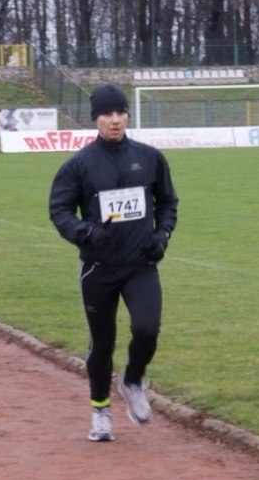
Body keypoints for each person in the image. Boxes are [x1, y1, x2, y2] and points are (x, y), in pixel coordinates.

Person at [48, 84, 179, 442]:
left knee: (147, 329)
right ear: (96, 119)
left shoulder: (150, 158)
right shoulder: (78, 165)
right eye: (107, 114)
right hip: (99, 269)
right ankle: (100, 409)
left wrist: (161, 236)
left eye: (120, 113)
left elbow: (168, 202)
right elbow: (59, 210)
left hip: (140, 264)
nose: (115, 120)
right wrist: (85, 233)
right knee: (102, 343)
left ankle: (133, 379)